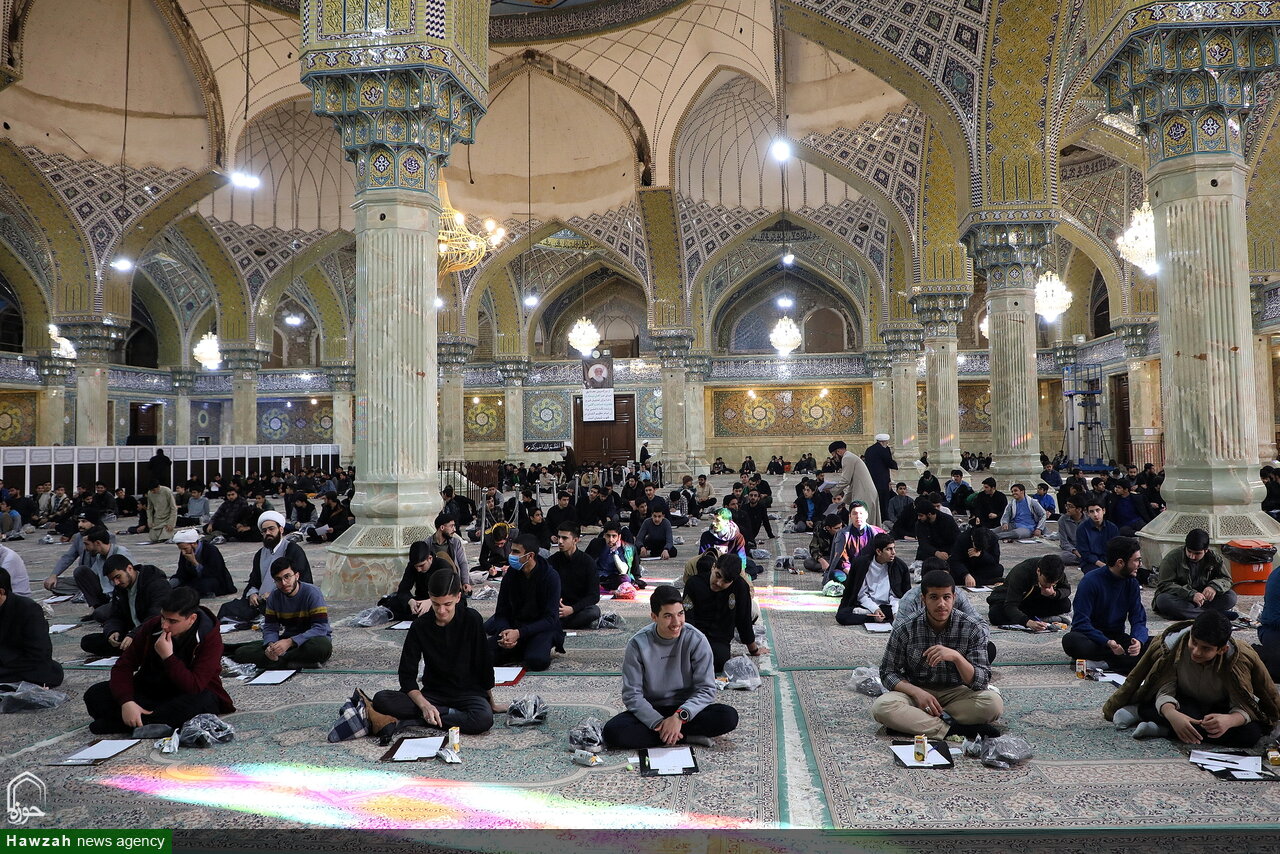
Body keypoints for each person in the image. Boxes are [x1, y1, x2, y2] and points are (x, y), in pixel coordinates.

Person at [1105, 610, 1278, 747]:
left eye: (1205, 648)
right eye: (1194, 643)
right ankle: (1140, 712)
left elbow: (1246, 701)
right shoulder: (1173, 647)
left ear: (1221, 650)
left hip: (1218, 709)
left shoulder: (1238, 659)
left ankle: (1165, 730)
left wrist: (1230, 720)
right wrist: (1172, 714)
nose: (1196, 652)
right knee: (1174, 711)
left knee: (1250, 735)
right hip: (1182, 703)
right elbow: (1164, 686)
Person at [602, 585, 740, 749]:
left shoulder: (696, 639)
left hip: (687, 710)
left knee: (728, 716)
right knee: (613, 732)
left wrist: (679, 718)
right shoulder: (638, 644)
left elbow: (706, 689)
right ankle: (685, 736)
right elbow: (632, 695)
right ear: (654, 617)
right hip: (652, 709)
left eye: (680, 614)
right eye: (668, 616)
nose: (676, 623)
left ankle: (670, 734)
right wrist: (659, 722)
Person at [871, 569, 1003, 739]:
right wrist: (917, 693)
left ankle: (917, 723)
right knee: (882, 707)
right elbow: (888, 672)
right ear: (923, 599)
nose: (941, 604)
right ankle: (954, 729)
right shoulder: (906, 628)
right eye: (934, 597)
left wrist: (957, 657)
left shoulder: (971, 628)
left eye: (946, 597)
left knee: (993, 704)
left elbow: (981, 680)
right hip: (917, 693)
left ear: (954, 598)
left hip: (957, 694)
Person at [83, 586, 233, 735]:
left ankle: (124, 724)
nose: (164, 625)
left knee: (202, 702)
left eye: (173, 621)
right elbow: (124, 666)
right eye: (163, 617)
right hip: (153, 691)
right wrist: (127, 702)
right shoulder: (153, 626)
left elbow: (194, 685)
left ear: (191, 619)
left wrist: (168, 657)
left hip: (185, 694)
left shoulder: (209, 637)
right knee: (95, 694)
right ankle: (148, 723)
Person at [371, 567, 496, 736]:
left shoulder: (471, 619)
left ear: (458, 597)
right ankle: (442, 714)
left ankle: (423, 719)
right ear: (430, 597)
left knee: (483, 718)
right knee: (381, 699)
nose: (441, 611)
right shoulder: (420, 626)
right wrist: (425, 705)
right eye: (436, 604)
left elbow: (484, 664)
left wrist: (491, 703)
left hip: (467, 693)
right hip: (434, 694)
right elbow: (407, 676)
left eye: (447, 604)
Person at [1062, 537, 1149, 674]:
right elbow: (1080, 623)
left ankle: (1105, 663)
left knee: (1157, 644)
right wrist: (1107, 642)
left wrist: (1138, 640)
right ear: (1120, 563)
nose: (1140, 564)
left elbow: (1138, 618)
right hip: (1093, 638)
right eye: (1136, 560)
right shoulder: (1090, 581)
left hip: (1117, 638)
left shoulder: (1131, 582)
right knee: (1071, 641)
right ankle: (1121, 662)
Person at [231, 557, 333, 670]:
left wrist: (290, 642)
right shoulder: (274, 597)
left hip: (310, 641)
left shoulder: (312, 593)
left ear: (297, 575)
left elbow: (321, 628)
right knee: (242, 652)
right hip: (287, 642)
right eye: (278, 580)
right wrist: (271, 645)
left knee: (321, 647)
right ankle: (294, 663)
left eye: (287, 577)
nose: (284, 583)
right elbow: (270, 627)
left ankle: (281, 662)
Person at [485, 534, 562, 672]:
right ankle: (518, 649)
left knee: (537, 661)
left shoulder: (550, 577)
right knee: (482, 655)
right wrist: (505, 632)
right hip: (515, 626)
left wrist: (520, 633)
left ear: (530, 556)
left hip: (539, 629)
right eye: (511, 550)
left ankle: (528, 649)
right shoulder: (511, 575)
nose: (511, 555)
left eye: (516, 552)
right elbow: (501, 612)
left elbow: (551, 618)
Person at [223, 511, 313, 621]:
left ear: (281, 529)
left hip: (285, 598)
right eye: (264, 531)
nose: (268, 533)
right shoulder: (260, 554)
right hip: (262, 600)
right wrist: (252, 594)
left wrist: (275, 594)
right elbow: (254, 580)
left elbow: (300, 581)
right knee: (227, 608)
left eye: (271, 529)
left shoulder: (292, 550)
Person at [683, 554, 767, 671]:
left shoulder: (740, 587)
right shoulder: (694, 584)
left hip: (719, 639)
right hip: (695, 636)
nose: (719, 583)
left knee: (719, 660)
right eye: (718, 575)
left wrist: (754, 649)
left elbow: (744, 620)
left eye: (725, 581)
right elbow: (687, 619)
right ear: (713, 567)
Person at [80, 555, 172, 657]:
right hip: (132, 634)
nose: (116, 582)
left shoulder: (156, 583)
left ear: (129, 568)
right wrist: (113, 631)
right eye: (112, 580)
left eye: (118, 577)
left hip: (153, 633)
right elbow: (115, 615)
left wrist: (134, 634)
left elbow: (156, 617)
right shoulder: (120, 588)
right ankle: (134, 651)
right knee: (88, 641)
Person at [1153, 529, 1237, 621]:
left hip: (1204, 599)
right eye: (1189, 551)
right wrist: (1190, 594)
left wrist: (1214, 587)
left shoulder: (1214, 558)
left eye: (1197, 553)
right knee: (1163, 601)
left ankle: (1195, 613)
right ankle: (1214, 614)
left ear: (1206, 550)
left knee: (1230, 597)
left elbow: (1226, 579)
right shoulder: (1172, 558)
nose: (1192, 556)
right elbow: (1164, 585)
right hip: (1182, 597)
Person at [0, 567, 63, 687]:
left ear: (1, 592)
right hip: (6, 664)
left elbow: (39, 652)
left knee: (47, 671)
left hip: (23, 665)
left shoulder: (28, 609)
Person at [836, 532, 910, 626]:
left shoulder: (899, 566)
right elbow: (861, 595)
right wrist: (875, 609)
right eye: (889, 549)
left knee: (905, 614)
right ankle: (873, 617)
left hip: (888, 606)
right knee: (842, 616)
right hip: (866, 604)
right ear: (878, 551)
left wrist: (896, 612)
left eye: (893, 548)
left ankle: (875, 616)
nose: (893, 553)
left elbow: (898, 596)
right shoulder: (861, 564)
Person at [378, 541, 457, 622]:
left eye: (422, 565)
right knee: (394, 602)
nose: (418, 570)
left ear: (430, 558)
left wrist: (431, 601)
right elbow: (403, 590)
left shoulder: (443, 566)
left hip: (439, 601)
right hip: (420, 600)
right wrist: (410, 601)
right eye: (416, 567)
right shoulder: (412, 566)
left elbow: (450, 592)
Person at [987, 554, 1072, 630]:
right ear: (1038, 571)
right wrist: (1027, 622)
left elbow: (1066, 589)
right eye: (1045, 581)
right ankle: (1037, 618)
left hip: (1036, 603)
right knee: (995, 615)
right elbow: (1010, 605)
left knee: (1065, 604)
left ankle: (1035, 618)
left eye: (1053, 583)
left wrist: (1054, 594)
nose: (1048, 586)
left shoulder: (1058, 573)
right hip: (1018, 601)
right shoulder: (1021, 572)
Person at [549, 522, 601, 630]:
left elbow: (594, 595)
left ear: (575, 540)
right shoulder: (553, 561)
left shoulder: (587, 562)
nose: (560, 541)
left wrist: (572, 609)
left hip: (577, 609)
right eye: (559, 537)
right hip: (558, 608)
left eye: (564, 538)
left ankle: (556, 624)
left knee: (594, 611)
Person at [76, 527, 134, 613]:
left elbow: (132, 578)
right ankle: (98, 607)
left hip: (121, 597)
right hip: (107, 595)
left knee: (101, 614)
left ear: (97, 543)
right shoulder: (99, 556)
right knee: (80, 571)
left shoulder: (121, 552)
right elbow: (93, 575)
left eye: (87, 544)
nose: (85, 548)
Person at [822, 440, 880, 522]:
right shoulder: (850, 457)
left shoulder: (847, 458)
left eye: (834, 456)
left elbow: (846, 480)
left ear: (838, 451)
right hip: (866, 493)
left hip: (864, 494)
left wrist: (832, 490)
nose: (835, 459)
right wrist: (844, 501)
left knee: (860, 522)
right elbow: (851, 484)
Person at [827, 501, 884, 584]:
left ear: (867, 515)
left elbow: (883, 557)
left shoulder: (878, 533)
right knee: (836, 575)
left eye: (861, 513)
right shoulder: (843, 534)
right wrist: (853, 574)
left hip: (872, 571)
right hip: (850, 572)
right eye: (854, 513)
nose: (858, 516)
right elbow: (843, 560)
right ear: (850, 516)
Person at [170, 529, 235, 597]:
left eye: (185, 549)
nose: (183, 552)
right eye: (181, 549)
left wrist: (194, 562)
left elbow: (214, 573)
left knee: (205, 584)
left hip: (214, 581)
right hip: (194, 580)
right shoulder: (185, 553)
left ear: (193, 544)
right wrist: (170, 584)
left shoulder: (211, 550)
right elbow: (181, 573)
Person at [913, 497, 959, 562]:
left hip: (947, 553)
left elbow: (957, 539)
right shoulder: (920, 523)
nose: (919, 518)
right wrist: (936, 553)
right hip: (929, 553)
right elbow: (923, 543)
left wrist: (947, 554)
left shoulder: (947, 520)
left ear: (929, 514)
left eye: (921, 515)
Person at [864, 433, 898, 513]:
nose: (887, 444)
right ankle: (883, 516)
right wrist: (896, 465)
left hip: (871, 477)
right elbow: (888, 461)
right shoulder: (884, 449)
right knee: (883, 500)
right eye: (886, 442)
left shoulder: (869, 449)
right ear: (883, 442)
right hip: (882, 479)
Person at [1057, 497, 1085, 567]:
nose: (1067, 508)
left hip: (1087, 549)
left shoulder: (1089, 519)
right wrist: (1075, 551)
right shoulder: (1062, 520)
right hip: (1072, 550)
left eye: (1070, 506)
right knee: (1063, 557)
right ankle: (1086, 560)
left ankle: (1086, 559)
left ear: (1079, 509)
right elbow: (1064, 542)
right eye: (1066, 505)